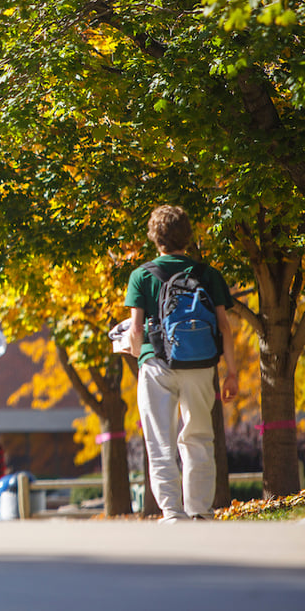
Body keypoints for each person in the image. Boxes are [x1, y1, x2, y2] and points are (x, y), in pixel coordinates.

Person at [125, 205, 238, 523]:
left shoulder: (141, 276)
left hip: (157, 364)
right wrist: (232, 373)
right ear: (188, 236)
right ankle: (200, 509)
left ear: (154, 237)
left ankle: (173, 513)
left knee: (159, 440)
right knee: (199, 436)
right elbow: (225, 327)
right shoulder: (208, 275)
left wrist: (139, 352)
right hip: (201, 365)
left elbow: (135, 331)